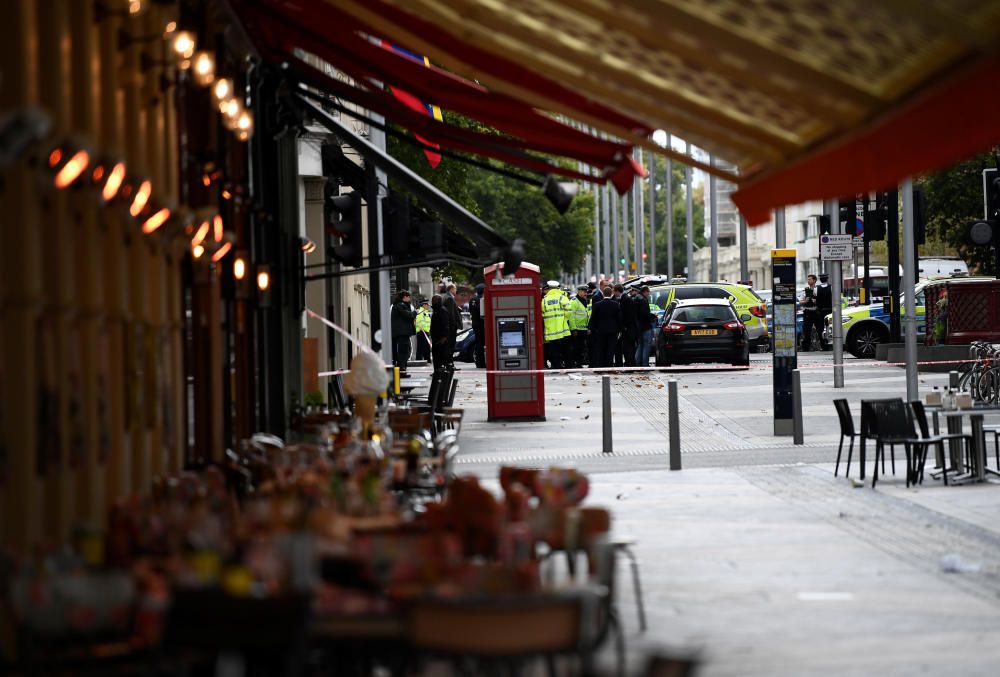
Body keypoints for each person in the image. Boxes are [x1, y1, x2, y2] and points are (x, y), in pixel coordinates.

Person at [588, 286, 622, 368]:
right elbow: (619, 318)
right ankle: (609, 366)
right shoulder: (616, 304)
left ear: (603, 294)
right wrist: (620, 330)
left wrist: (590, 328)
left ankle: (601, 366)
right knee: (610, 349)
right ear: (611, 294)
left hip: (600, 330)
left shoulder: (597, 305)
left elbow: (593, 318)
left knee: (601, 349)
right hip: (613, 331)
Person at [541, 280, 571, 369]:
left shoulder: (545, 300)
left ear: (549, 288)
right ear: (558, 288)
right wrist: (564, 319)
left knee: (554, 351)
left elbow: (542, 313)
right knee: (566, 350)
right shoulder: (562, 297)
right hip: (563, 330)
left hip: (551, 331)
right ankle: (568, 367)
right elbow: (569, 311)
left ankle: (557, 366)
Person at [390, 290, 417, 374]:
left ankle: (403, 366)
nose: (410, 298)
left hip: (403, 332)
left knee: (407, 349)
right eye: (408, 296)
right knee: (403, 350)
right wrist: (415, 312)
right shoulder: (400, 305)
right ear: (404, 297)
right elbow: (407, 315)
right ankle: (401, 367)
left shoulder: (401, 305)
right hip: (402, 332)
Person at [568, 285, 591, 368]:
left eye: (586, 292)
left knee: (581, 348)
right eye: (584, 291)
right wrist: (573, 329)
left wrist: (588, 327)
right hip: (577, 329)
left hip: (584, 329)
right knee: (576, 348)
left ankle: (579, 362)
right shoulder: (574, 301)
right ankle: (576, 362)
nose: (586, 293)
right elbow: (571, 316)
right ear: (579, 291)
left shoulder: (585, 301)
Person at [616, 285, 638, 367]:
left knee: (628, 348)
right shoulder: (626, 298)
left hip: (628, 329)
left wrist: (624, 327)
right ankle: (630, 364)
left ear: (617, 291)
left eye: (615, 292)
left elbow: (627, 315)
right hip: (629, 329)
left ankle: (629, 364)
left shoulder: (625, 299)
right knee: (629, 348)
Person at [633, 285, 655, 367]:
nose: (649, 294)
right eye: (648, 292)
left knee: (640, 345)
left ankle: (637, 363)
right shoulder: (643, 300)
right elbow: (644, 314)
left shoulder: (636, 298)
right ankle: (645, 364)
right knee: (646, 346)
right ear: (645, 291)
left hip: (639, 326)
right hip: (645, 326)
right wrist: (652, 316)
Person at [430, 294, 452, 372]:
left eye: (434, 300)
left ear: (438, 301)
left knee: (441, 355)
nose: (432, 301)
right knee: (436, 356)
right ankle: (437, 370)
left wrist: (444, 337)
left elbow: (445, 324)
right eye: (432, 300)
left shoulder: (442, 310)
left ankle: (440, 371)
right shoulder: (436, 310)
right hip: (436, 338)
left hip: (441, 338)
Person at [443, 283, 463, 365]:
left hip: (449, 326)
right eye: (455, 289)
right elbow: (451, 314)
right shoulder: (449, 298)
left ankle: (450, 364)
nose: (456, 290)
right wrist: (454, 326)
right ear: (451, 289)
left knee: (449, 346)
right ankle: (450, 364)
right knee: (450, 346)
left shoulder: (447, 297)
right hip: (451, 327)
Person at [800, 274, 821, 351]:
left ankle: (822, 345)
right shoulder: (805, 290)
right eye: (808, 279)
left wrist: (815, 300)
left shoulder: (818, 290)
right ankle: (806, 347)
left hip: (816, 311)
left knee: (820, 329)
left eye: (810, 279)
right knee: (806, 330)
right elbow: (800, 301)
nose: (808, 281)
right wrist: (805, 301)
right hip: (808, 312)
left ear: (814, 280)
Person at [469, 283, 486, 368]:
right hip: (482, 323)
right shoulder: (483, 299)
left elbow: (471, 312)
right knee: (483, 343)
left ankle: (479, 362)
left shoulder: (472, 300)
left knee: (478, 342)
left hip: (475, 323)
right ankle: (482, 362)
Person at [815, 273, 833, 351]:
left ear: (820, 280)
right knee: (830, 328)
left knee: (820, 329)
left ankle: (823, 345)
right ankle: (830, 344)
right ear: (827, 279)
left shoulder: (816, 289)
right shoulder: (831, 287)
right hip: (829, 311)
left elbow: (815, 300)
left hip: (820, 312)